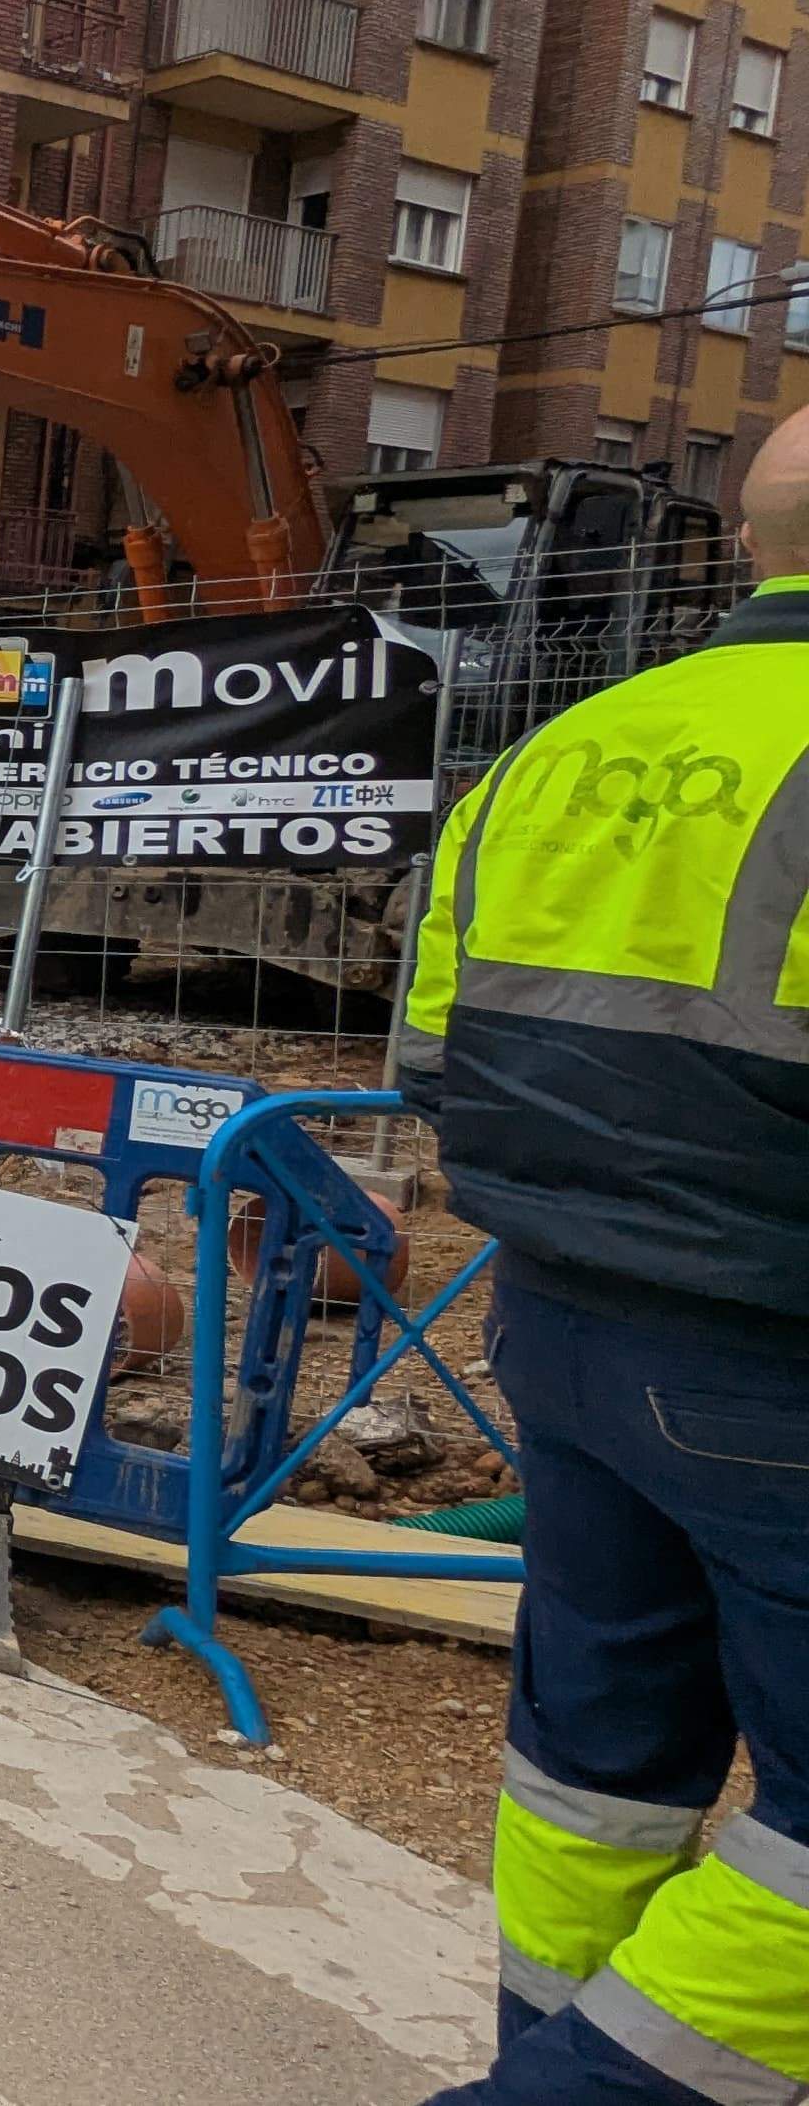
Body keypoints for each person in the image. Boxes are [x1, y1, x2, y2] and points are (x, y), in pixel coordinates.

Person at [401, 427, 809, 2106]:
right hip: (776, 1356)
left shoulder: (566, 743)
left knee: (595, 1766)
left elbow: (431, 1052)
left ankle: (562, 2046)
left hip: (557, 1327)